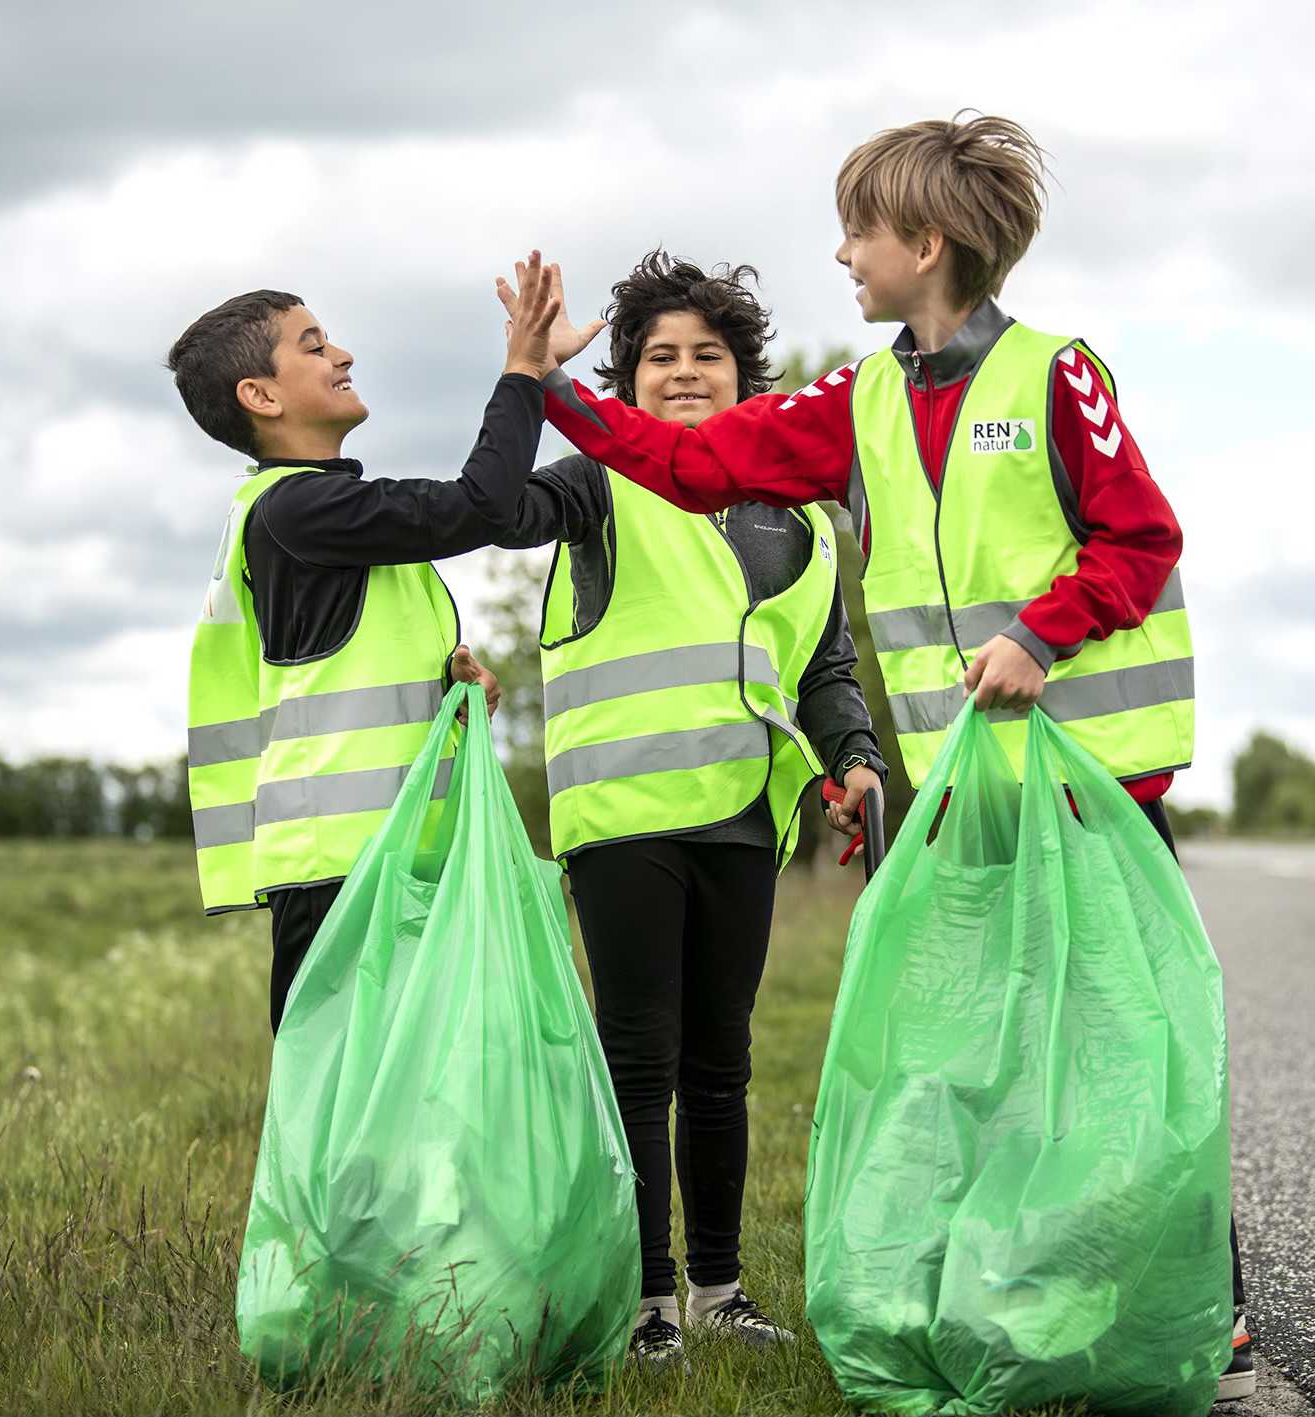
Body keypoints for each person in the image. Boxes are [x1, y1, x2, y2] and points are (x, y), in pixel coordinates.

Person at [521, 118, 1256, 1401]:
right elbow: (693, 466)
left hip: (1095, 791)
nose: (841, 254)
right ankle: (1021, 1294)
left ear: (924, 245)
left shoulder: (1054, 377)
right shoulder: (853, 401)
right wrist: (549, 390)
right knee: (984, 1062)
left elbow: (1138, 539)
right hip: (964, 797)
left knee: (1119, 1053)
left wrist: (1042, 630)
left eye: (858, 230)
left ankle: (1207, 1303)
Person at [491, 251, 886, 1367]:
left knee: (722, 1061)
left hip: (742, 820)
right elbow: (498, 507)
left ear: (741, 375)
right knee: (638, 1060)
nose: (680, 372)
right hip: (620, 818)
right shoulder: (593, 484)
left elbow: (824, 663)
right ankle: (644, 1300)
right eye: (657, 356)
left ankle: (718, 1290)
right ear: (626, 376)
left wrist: (851, 754)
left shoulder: (799, 514)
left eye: (704, 355)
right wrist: (528, 379)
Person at [170, 253, 561, 1033]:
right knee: (345, 1127)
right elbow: (477, 506)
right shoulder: (300, 510)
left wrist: (452, 691)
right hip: (345, 868)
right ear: (262, 395)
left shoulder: (311, 515)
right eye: (313, 346)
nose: (342, 354)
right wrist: (522, 374)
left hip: (376, 862)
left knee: (382, 1119)